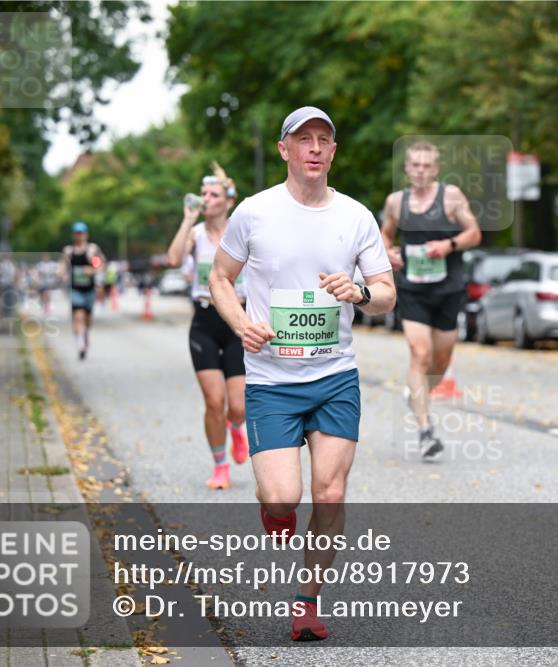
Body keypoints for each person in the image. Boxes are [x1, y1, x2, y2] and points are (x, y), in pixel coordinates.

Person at [210, 106, 395, 641]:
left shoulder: (356, 217)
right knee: (282, 498)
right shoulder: (254, 212)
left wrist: (358, 292)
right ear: (284, 150)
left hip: (335, 376)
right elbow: (222, 279)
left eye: (324, 140)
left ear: (333, 152)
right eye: (303, 139)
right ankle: (275, 509)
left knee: (331, 494)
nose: (314, 148)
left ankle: (307, 602)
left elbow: (386, 294)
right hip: (270, 380)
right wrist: (242, 323)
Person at [380, 141, 482, 461]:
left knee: (438, 363)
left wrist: (449, 245)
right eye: (416, 165)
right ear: (407, 169)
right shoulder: (396, 202)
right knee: (419, 353)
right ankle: (426, 430)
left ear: (435, 169)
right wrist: (387, 252)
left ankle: (418, 393)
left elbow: (474, 233)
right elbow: (385, 235)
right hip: (412, 288)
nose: (421, 170)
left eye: (427, 165)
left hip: (448, 289)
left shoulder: (450, 197)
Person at [166, 163, 250, 490]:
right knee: (214, 402)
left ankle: (237, 428)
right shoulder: (196, 234)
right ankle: (220, 466)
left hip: (237, 321)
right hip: (203, 320)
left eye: (213, 194)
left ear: (228, 200)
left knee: (238, 405)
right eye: (203, 193)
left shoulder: (240, 233)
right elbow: (173, 260)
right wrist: (188, 218)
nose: (206, 198)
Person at [61, 222, 105, 360]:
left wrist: (91, 270)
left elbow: (99, 265)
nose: (79, 236)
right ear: (73, 235)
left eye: (81, 233)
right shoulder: (68, 251)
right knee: (78, 316)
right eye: (77, 233)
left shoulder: (92, 250)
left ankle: (84, 335)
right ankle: (80, 344)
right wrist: (61, 273)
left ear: (86, 234)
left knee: (88, 319)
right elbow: (62, 265)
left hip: (89, 290)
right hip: (75, 290)